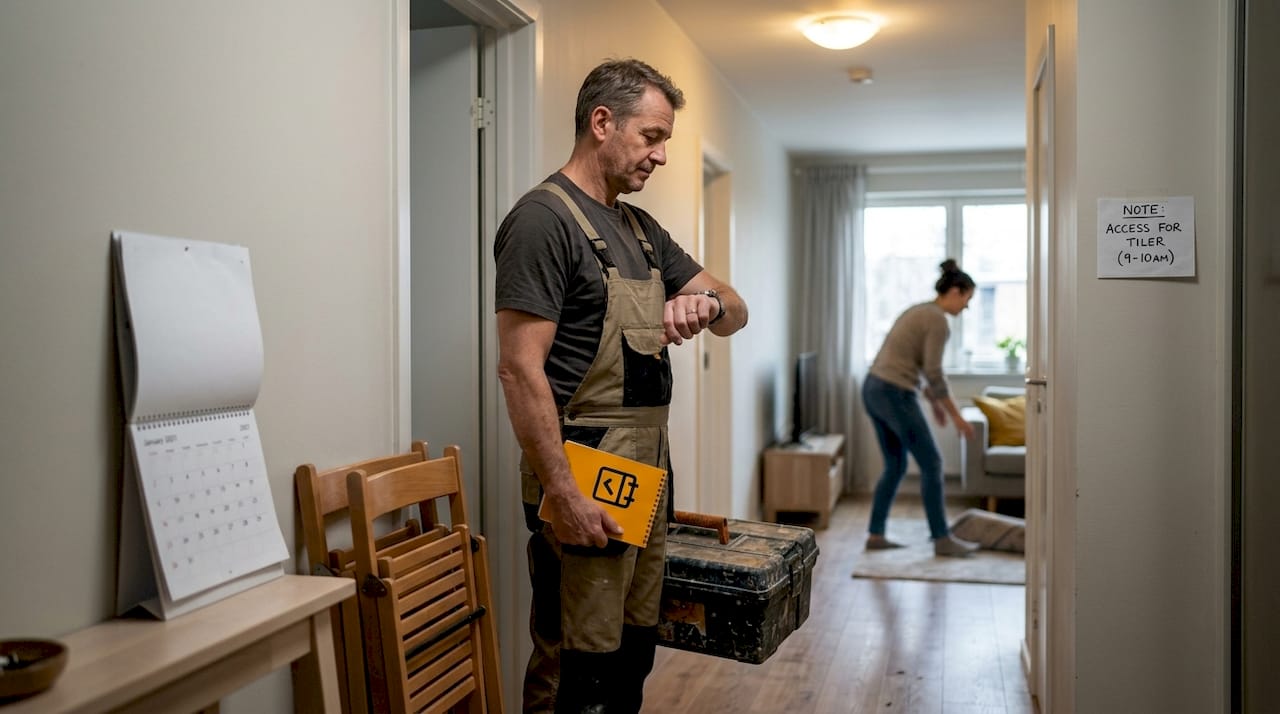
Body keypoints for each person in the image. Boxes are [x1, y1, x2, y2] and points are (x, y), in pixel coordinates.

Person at [494, 58, 747, 713]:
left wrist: (708, 306)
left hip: (645, 473)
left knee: (633, 648)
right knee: (577, 658)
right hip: (583, 475)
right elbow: (519, 370)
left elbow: (738, 310)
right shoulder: (543, 221)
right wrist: (563, 492)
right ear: (602, 123)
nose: (661, 155)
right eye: (652, 136)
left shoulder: (641, 230)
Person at [862, 259, 979, 557]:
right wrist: (957, 417)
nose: (966, 307)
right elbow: (934, 372)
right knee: (932, 463)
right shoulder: (938, 320)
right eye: (967, 299)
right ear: (955, 291)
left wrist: (933, 402)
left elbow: (912, 364)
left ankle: (876, 535)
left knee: (896, 465)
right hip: (894, 393)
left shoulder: (918, 310)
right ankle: (942, 538)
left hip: (873, 388)